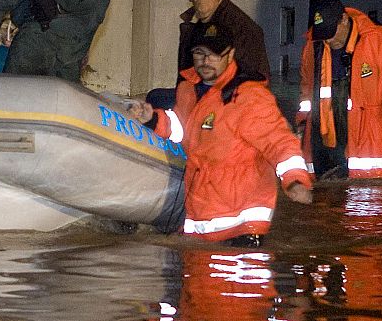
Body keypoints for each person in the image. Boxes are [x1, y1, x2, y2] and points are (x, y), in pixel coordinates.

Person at [132, 22, 312, 246]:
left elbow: (279, 142)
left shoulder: (249, 96)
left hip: (241, 224)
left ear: (230, 54)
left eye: (214, 54)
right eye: (200, 53)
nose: (206, 61)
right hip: (203, 215)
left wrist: (294, 180)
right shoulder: (189, 90)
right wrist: (155, 119)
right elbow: (184, 128)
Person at [295, 0, 382, 180]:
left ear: (344, 20)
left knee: (374, 205)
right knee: (323, 203)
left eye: (331, 32)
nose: (329, 40)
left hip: (371, 153)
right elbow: (307, 89)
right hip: (325, 145)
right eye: (323, 34)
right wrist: (302, 122)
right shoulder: (313, 46)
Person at [146, 0, 270, 109]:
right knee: (156, 97)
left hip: (233, 94)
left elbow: (244, 73)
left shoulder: (238, 26)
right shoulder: (196, 23)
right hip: (207, 87)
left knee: (158, 99)